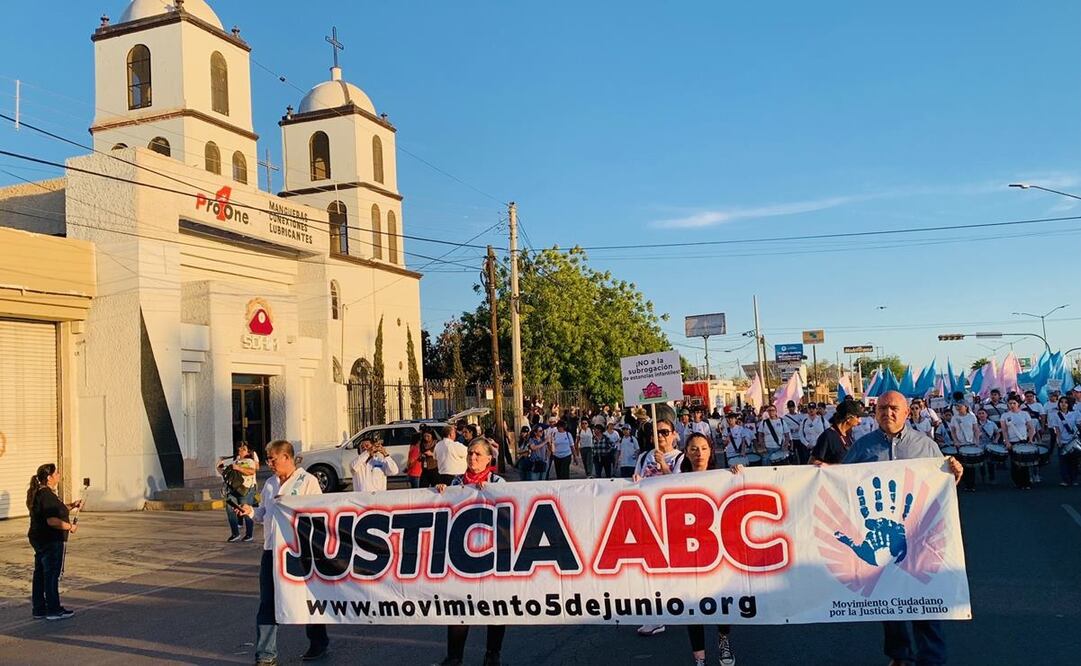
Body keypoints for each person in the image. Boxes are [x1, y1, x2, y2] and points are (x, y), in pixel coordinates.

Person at [838, 391, 962, 666]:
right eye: (882, 408)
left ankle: (931, 658)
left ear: (907, 413)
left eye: (894, 408)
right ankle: (900, 655)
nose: (888, 413)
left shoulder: (926, 446)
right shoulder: (862, 448)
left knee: (925, 598)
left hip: (919, 539)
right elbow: (841, 484)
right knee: (888, 602)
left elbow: (942, 488)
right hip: (880, 541)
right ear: (875, 413)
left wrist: (955, 474)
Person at [237, 440, 328, 665]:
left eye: (273, 459)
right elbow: (264, 515)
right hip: (271, 551)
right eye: (268, 459)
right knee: (267, 601)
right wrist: (250, 511)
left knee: (307, 597)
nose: (270, 464)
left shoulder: (308, 482)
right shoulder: (269, 484)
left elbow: (318, 514)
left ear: (286, 457)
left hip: (300, 551)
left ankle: (318, 641)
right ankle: (265, 654)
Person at [431, 437, 507, 665]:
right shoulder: (456, 482)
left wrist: (493, 495)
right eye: (470, 454)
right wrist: (439, 493)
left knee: (495, 607)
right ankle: (454, 657)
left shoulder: (498, 482)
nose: (472, 458)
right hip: (461, 557)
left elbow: (510, 515)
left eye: (477, 454)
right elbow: (442, 511)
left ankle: (492, 654)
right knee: (458, 607)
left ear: (488, 459)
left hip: (492, 555)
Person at [680, 433, 736, 666]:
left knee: (719, 601)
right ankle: (699, 658)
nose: (699, 453)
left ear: (711, 451)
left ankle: (724, 644)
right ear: (686, 452)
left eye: (703, 448)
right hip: (686, 552)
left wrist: (740, 477)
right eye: (693, 448)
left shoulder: (723, 477)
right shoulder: (676, 480)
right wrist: (641, 481)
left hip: (716, 551)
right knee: (692, 606)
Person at [634, 419, 685, 639]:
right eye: (656, 433)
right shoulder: (644, 457)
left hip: (672, 520)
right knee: (650, 569)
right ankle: (656, 615)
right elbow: (636, 482)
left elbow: (681, 486)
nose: (661, 436)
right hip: (648, 519)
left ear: (674, 434)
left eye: (665, 432)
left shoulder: (681, 458)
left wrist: (664, 465)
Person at [27, 463, 82, 621]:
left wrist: (72, 506)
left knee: (40, 573)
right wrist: (70, 526)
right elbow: (52, 520)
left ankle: (39, 608)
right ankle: (53, 609)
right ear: (49, 477)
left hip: (39, 538)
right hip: (50, 539)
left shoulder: (41, 493)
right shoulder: (46, 495)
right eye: (56, 473)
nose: (59, 475)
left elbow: (57, 509)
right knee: (51, 574)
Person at [218, 442, 259, 542]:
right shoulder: (236, 461)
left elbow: (252, 471)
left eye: (244, 449)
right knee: (230, 509)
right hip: (233, 489)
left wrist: (238, 468)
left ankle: (249, 534)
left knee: (245, 510)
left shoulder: (249, 461)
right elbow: (226, 474)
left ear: (248, 452)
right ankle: (235, 533)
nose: (240, 450)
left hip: (245, 489)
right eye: (239, 449)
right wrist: (219, 467)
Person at [810, 400, 862, 465]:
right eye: (858, 417)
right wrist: (833, 467)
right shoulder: (828, 436)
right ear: (848, 417)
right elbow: (812, 462)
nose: (860, 421)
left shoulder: (848, 434)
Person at [1002, 397, 1037, 489]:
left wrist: (1030, 438)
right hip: (1012, 441)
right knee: (1015, 463)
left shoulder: (1024, 414)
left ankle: (1026, 482)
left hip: (1023, 440)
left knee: (1024, 463)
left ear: (1018, 404)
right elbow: (1004, 430)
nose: (1012, 405)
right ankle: (1018, 482)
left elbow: (1031, 427)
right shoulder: (1005, 416)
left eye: (1014, 403)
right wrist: (1007, 442)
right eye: (1010, 403)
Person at [1048, 396, 1081, 487]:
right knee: (1063, 461)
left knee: (1074, 461)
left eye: (1065, 402)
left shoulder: (1075, 413)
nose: (1063, 404)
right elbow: (1057, 428)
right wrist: (1058, 440)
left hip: (1073, 440)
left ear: (1069, 404)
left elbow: (1079, 424)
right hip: (1063, 440)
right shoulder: (1056, 415)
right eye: (1061, 402)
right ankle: (1065, 480)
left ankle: (1073, 479)